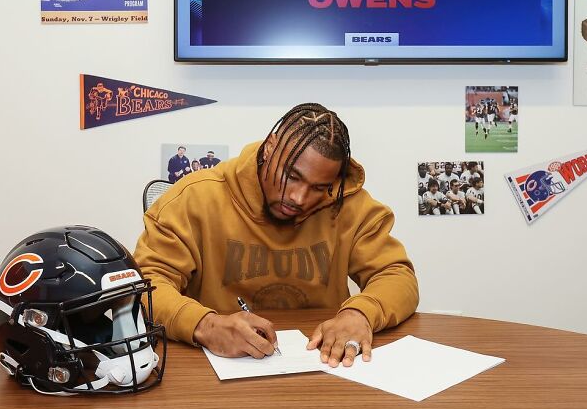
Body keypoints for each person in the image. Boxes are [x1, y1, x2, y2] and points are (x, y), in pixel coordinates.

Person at [135, 103, 418, 369]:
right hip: (215, 369)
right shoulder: (195, 198)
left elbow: (396, 276)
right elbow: (147, 284)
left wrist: (360, 314)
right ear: (270, 148)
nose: (299, 197)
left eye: (319, 187)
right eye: (291, 176)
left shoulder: (350, 207)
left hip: (320, 366)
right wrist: (205, 325)